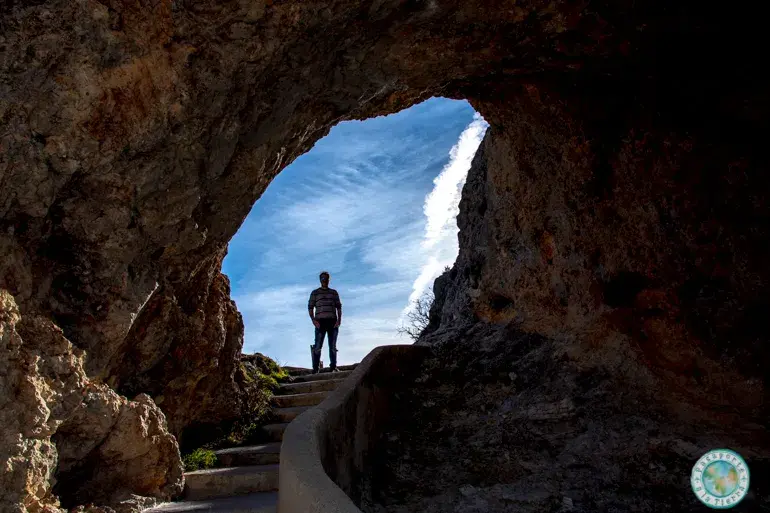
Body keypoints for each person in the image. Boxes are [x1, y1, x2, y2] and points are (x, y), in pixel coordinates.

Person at [308, 271, 342, 373]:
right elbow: (310, 307)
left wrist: (339, 320)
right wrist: (313, 320)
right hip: (320, 322)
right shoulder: (315, 293)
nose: (324, 280)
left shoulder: (334, 292)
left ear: (329, 280)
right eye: (322, 278)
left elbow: (339, 307)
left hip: (333, 322)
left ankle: (333, 367)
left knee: (333, 347)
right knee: (318, 346)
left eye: (326, 278)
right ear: (320, 280)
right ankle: (315, 368)